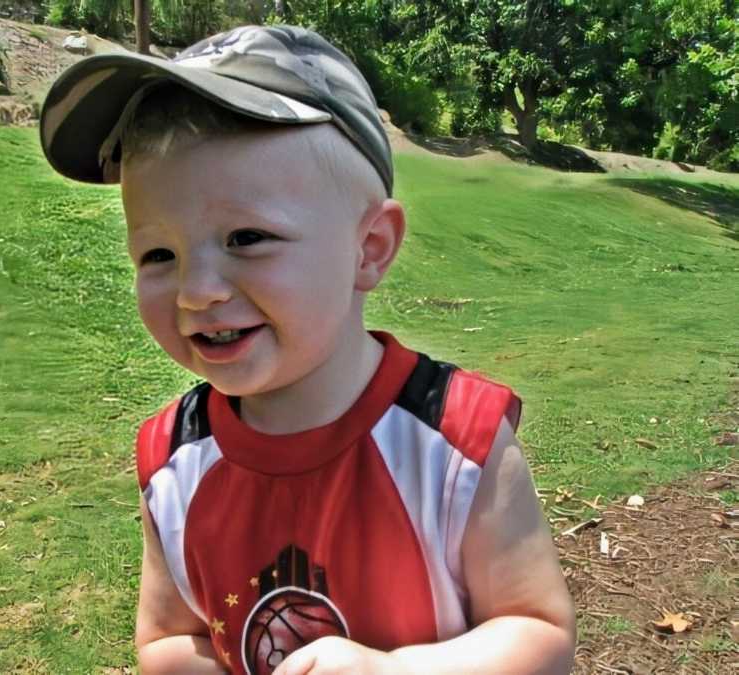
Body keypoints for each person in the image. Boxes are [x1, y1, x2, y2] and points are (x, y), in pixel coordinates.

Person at [40, 25, 575, 675]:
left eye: (246, 236)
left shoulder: (456, 438)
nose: (197, 291)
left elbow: (539, 632)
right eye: (158, 253)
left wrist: (390, 671)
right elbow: (168, 636)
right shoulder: (172, 456)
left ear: (368, 248)